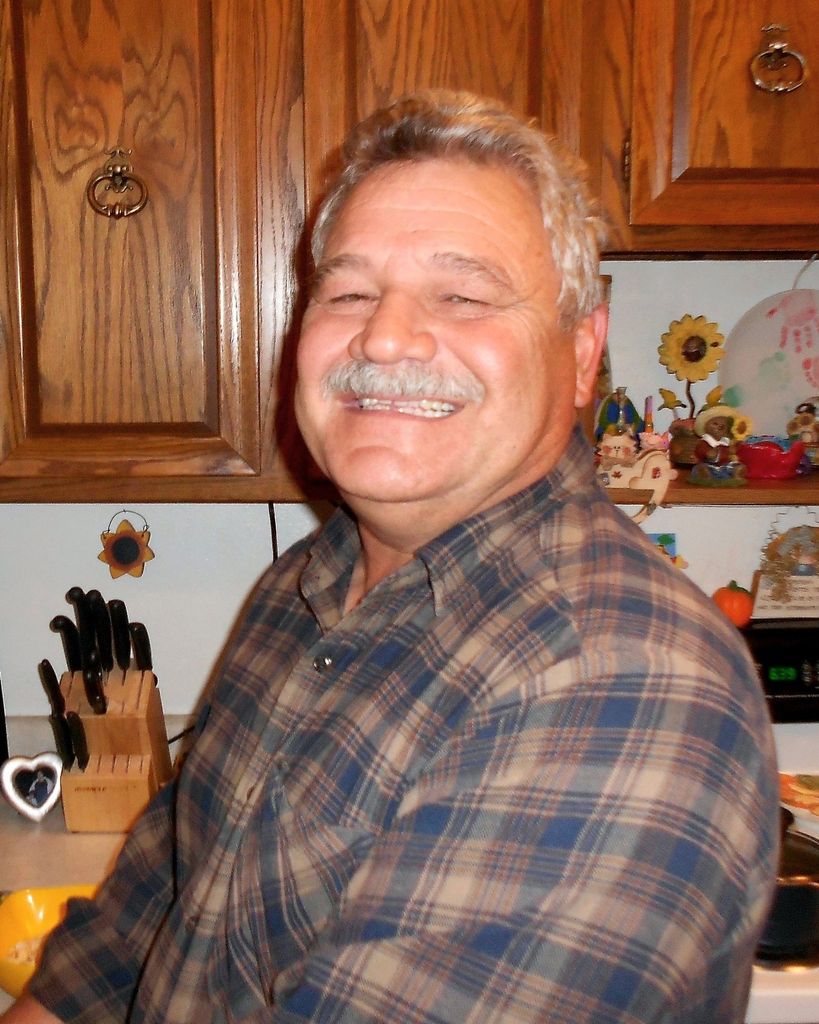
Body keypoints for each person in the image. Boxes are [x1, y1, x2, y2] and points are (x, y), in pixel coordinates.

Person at [4, 91, 778, 1024]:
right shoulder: (303, 586)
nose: (384, 336)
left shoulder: (618, 681)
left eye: (463, 295)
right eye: (349, 292)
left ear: (581, 356)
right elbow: (149, 914)